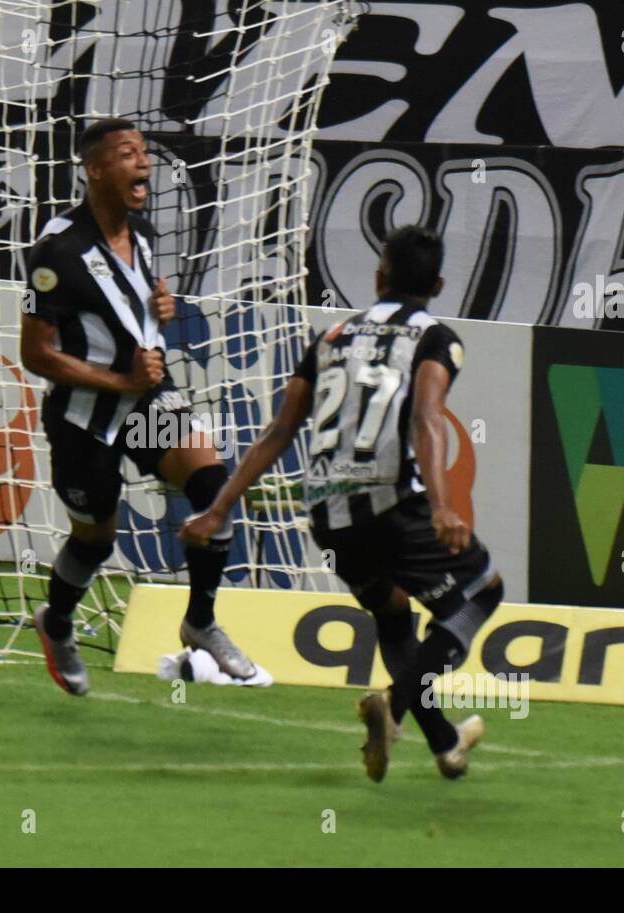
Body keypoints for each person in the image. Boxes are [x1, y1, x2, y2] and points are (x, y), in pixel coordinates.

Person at [181, 225, 504, 780]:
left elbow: (280, 432)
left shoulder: (329, 339)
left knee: (393, 612)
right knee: (482, 592)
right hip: (391, 503)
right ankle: (395, 704)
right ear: (440, 284)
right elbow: (428, 417)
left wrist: (219, 508)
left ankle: (446, 747)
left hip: (328, 515)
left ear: (379, 278)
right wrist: (443, 508)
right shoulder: (436, 339)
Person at [20, 117, 253, 696]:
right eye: (127, 154)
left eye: (143, 153)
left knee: (212, 489)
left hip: (146, 401)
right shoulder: (57, 251)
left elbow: (130, 306)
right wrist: (118, 380)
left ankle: (200, 621)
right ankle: (58, 622)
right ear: (95, 169)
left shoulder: (143, 233)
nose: (143, 163)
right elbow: (35, 354)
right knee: (95, 540)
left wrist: (160, 306)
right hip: (83, 418)